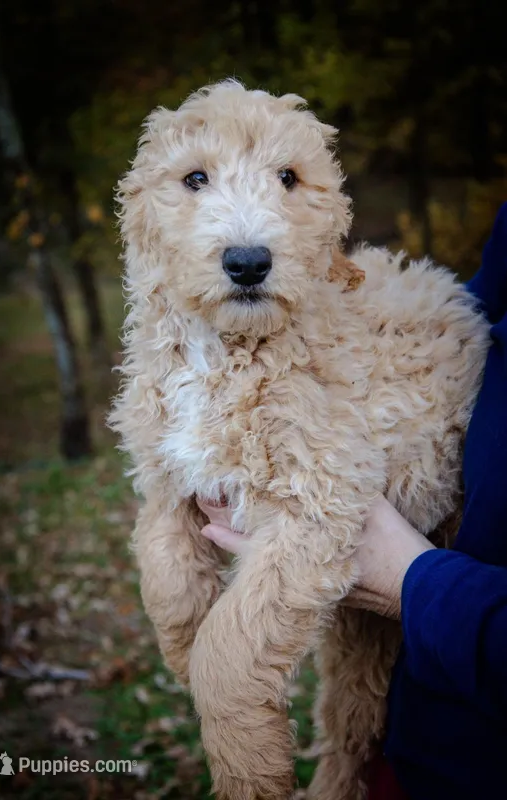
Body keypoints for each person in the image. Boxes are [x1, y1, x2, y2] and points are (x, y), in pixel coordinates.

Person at [197, 203, 507, 800]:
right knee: (356, 681)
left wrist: (414, 581)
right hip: (416, 721)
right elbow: (473, 317)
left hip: (486, 758)